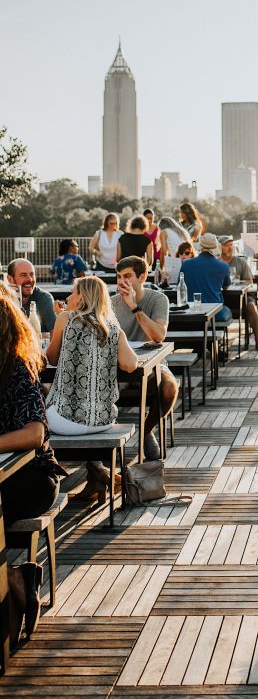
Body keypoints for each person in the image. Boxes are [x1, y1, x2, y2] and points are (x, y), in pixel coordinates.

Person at [0, 284, 65, 642]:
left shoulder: (18, 369)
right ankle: (14, 576)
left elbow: (34, 434)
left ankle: (11, 582)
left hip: (32, 477)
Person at [45, 276, 137, 498]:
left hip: (64, 421)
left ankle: (45, 482)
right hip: (103, 420)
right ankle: (98, 475)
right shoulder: (113, 329)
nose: (68, 297)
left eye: (73, 292)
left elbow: (52, 358)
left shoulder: (65, 319)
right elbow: (130, 364)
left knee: (40, 406)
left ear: (83, 297)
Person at [112, 256, 178, 460]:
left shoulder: (158, 299)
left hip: (152, 363)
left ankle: (146, 430)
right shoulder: (110, 302)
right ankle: (103, 450)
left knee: (168, 388)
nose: (122, 281)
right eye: (119, 277)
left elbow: (158, 335)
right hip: (119, 365)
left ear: (142, 277)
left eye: (128, 276)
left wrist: (134, 307)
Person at [219, 236, 258, 349]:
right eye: (226, 245)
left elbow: (249, 281)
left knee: (251, 306)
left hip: (240, 297)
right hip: (222, 297)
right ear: (219, 247)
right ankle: (216, 344)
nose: (229, 248)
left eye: (231, 245)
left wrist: (237, 282)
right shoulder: (217, 263)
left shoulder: (240, 262)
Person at [182, 233, 233, 322]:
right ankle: (220, 334)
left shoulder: (186, 264)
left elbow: (181, 284)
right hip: (215, 312)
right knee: (228, 310)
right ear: (216, 247)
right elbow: (226, 287)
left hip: (191, 310)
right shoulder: (223, 266)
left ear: (200, 246)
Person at [7, 259, 57, 333]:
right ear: (10, 279)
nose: (30, 279)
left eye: (32, 274)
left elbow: (55, 332)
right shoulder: (4, 299)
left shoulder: (44, 298)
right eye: (23, 275)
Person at [158, 217, 193, 283]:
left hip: (176, 262)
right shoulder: (181, 231)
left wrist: (160, 268)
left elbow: (164, 252)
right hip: (188, 260)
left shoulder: (164, 232)